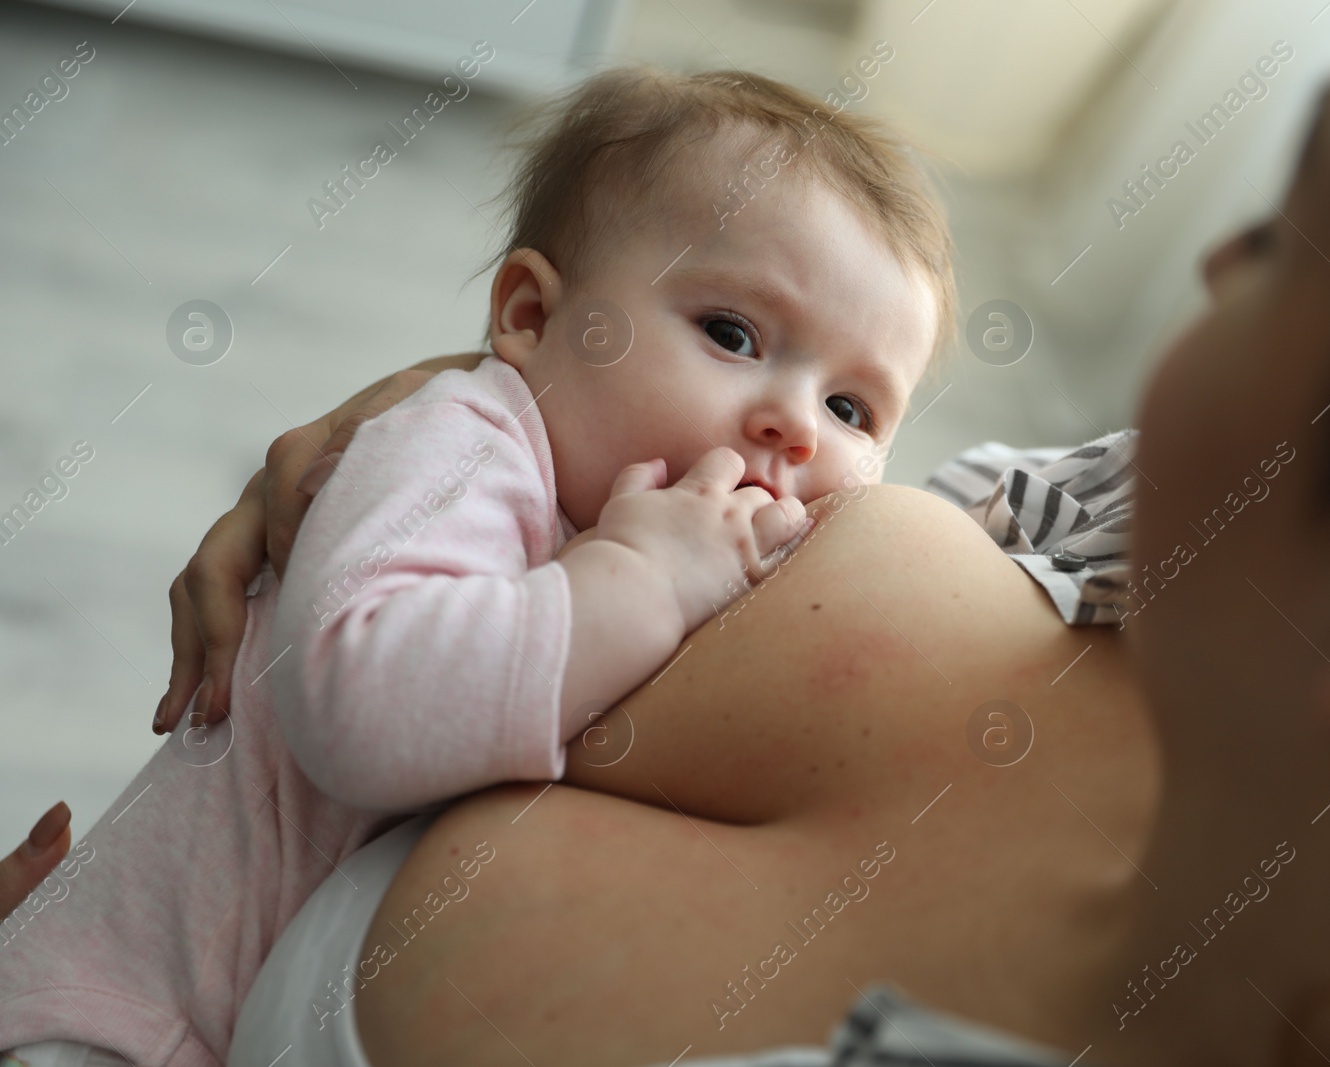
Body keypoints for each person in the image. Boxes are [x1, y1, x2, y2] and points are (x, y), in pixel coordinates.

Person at [0, 65, 994, 1065]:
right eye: (732, 333)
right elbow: (361, 707)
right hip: (119, 1023)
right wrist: (640, 583)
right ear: (528, 316)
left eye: (852, 409)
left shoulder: (682, 530)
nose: (792, 424)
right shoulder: (459, 447)